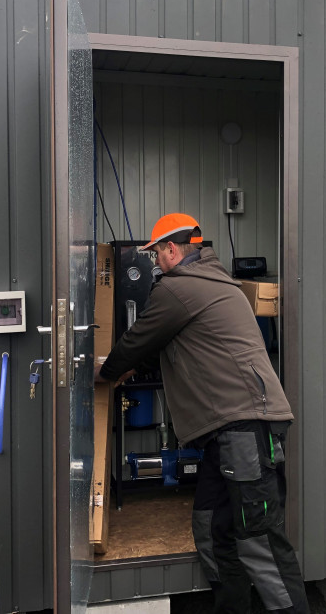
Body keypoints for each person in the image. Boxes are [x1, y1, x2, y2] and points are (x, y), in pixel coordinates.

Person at [95, 213, 309, 614]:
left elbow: (138, 340)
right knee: (211, 527)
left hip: (245, 426)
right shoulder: (210, 280)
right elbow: (171, 347)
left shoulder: (179, 287)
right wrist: (131, 369)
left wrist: (104, 373)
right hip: (227, 431)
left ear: (172, 250)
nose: (154, 261)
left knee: (260, 539)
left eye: (156, 253)